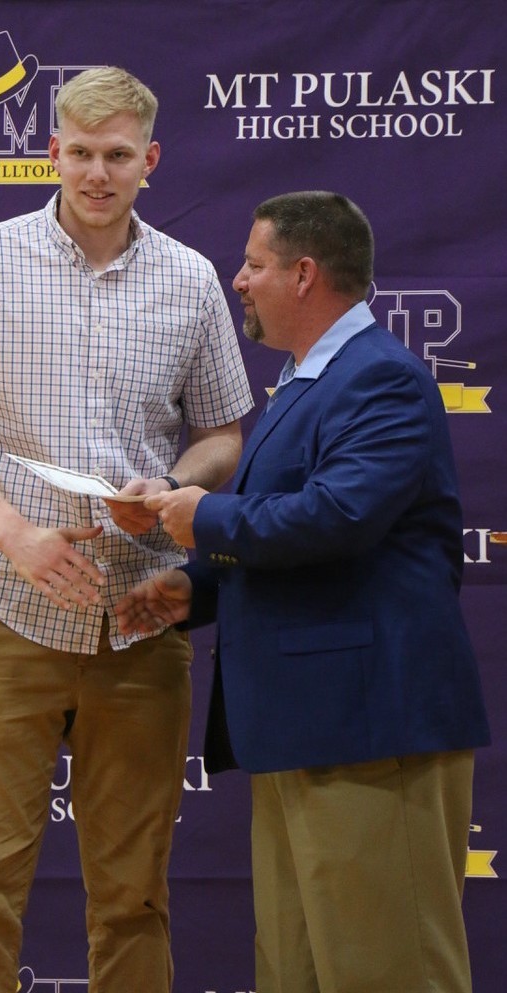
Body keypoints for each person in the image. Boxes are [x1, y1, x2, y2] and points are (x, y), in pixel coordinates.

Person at [0, 66, 253, 993]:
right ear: (51, 151)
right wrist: (14, 533)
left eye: (118, 156)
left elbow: (223, 434)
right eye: (82, 153)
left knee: (133, 894)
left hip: (140, 616)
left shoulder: (190, 278)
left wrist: (171, 486)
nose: (98, 173)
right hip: (3, 609)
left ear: (150, 160)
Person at [115, 191, 491, 993]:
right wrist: (193, 589)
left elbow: (337, 516)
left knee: (390, 972)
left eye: (253, 264)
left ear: (304, 273)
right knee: (298, 973)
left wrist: (201, 513)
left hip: (368, 727)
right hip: (304, 727)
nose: (238, 280)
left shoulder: (380, 378)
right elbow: (295, 535)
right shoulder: (306, 383)